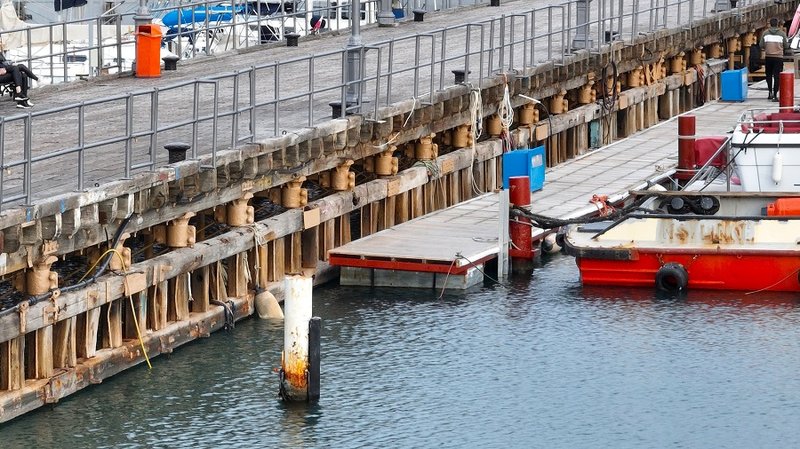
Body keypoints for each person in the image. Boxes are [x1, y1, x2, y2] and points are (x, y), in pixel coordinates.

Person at [759, 18, 788, 102]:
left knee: (768, 75)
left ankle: (770, 92)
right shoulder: (782, 34)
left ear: (770, 24)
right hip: (778, 57)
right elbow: (786, 46)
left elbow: (761, 45)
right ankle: (775, 95)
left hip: (768, 57)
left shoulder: (765, 33)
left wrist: (767, 47)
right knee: (777, 76)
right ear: (778, 24)